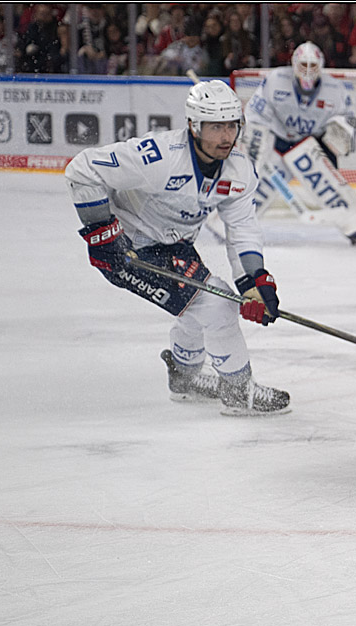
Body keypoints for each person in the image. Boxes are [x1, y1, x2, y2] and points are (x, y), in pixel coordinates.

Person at [64, 80, 290, 416]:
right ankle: (237, 390)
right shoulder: (159, 157)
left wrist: (254, 281)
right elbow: (82, 169)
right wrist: (104, 235)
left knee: (199, 304)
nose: (226, 136)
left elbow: (241, 229)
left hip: (173, 247)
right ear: (193, 126)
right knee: (217, 306)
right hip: (130, 252)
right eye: (216, 127)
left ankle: (184, 376)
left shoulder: (240, 170)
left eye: (232, 125)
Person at [241, 41, 356, 244]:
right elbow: (255, 115)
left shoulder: (334, 88)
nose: (308, 71)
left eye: (313, 66)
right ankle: (237, 224)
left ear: (320, 67)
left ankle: (354, 226)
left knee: (330, 185)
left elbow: (350, 121)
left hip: (314, 141)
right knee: (260, 184)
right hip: (279, 139)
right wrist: (255, 150)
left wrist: (343, 136)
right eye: (303, 65)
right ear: (294, 65)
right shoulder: (276, 79)